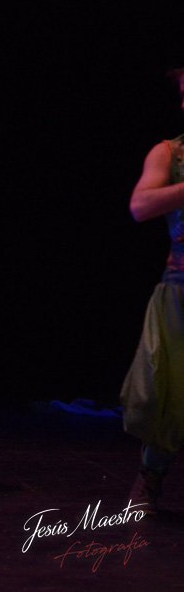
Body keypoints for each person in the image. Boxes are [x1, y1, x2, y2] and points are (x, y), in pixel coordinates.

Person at [121, 66, 184, 514]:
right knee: (167, 394)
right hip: (181, 290)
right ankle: (151, 475)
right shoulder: (169, 153)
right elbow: (141, 205)